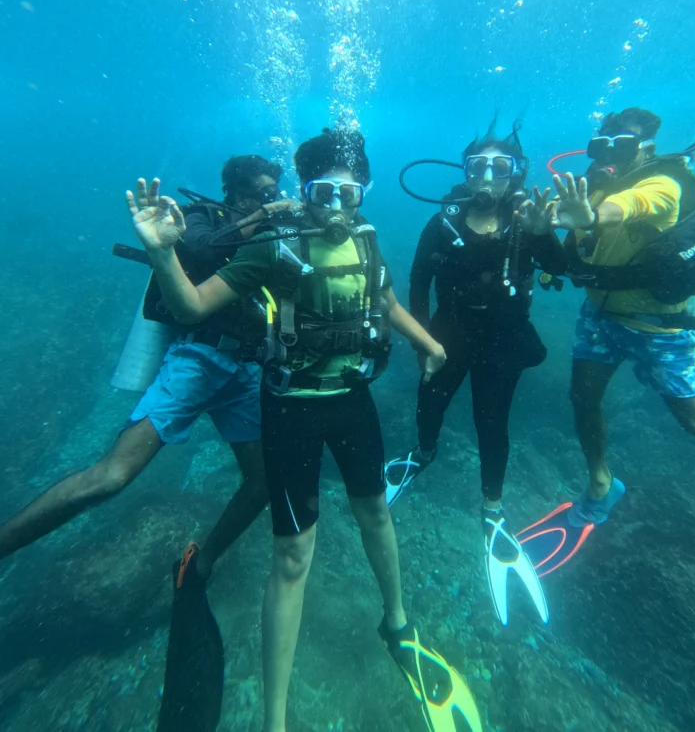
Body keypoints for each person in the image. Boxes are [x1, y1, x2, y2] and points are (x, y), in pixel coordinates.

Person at [126, 128, 483, 732]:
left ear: (364, 193)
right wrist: (163, 253)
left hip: (354, 403)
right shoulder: (272, 249)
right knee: (293, 557)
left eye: (351, 193)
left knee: (377, 515)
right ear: (304, 192)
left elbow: (386, 297)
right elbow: (189, 308)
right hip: (291, 410)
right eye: (323, 192)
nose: (337, 208)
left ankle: (396, 623)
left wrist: (428, 343)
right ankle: (276, 719)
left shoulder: (367, 240)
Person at [0, 153, 295, 575]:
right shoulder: (200, 214)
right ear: (238, 192)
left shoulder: (267, 233)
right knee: (112, 477)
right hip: (198, 357)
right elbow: (199, 248)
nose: (273, 198)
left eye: (275, 191)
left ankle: (201, 563)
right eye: (265, 191)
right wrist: (264, 215)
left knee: (262, 482)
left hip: (246, 366)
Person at [518, 107, 695, 576]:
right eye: (602, 145)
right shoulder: (590, 185)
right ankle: (600, 483)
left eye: (624, 145)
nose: (610, 155)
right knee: (582, 398)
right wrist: (539, 228)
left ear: (647, 149)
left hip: (660, 325)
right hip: (601, 316)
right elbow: (568, 248)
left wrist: (592, 214)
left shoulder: (664, 184)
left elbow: (625, 208)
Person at [383, 119, 567, 625]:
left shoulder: (527, 219)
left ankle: (492, 506)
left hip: (505, 342)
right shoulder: (442, 222)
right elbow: (419, 282)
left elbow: (565, 268)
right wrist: (422, 342)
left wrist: (545, 234)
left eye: (499, 167)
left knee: (493, 423)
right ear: (464, 174)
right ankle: (423, 454)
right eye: (478, 167)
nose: (488, 177)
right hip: (448, 335)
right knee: (430, 402)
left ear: (515, 173)